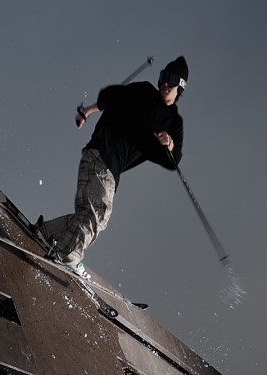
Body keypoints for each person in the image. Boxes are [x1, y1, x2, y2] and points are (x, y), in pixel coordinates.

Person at [39, 56, 188, 274]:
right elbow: (112, 96)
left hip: (110, 167)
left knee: (91, 216)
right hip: (102, 153)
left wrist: (170, 143)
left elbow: (173, 160)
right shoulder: (145, 92)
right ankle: (65, 254)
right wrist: (88, 111)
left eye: (172, 79)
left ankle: (47, 232)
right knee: (98, 213)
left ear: (180, 86)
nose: (166, 83)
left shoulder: (174, 123)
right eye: (164, 76)